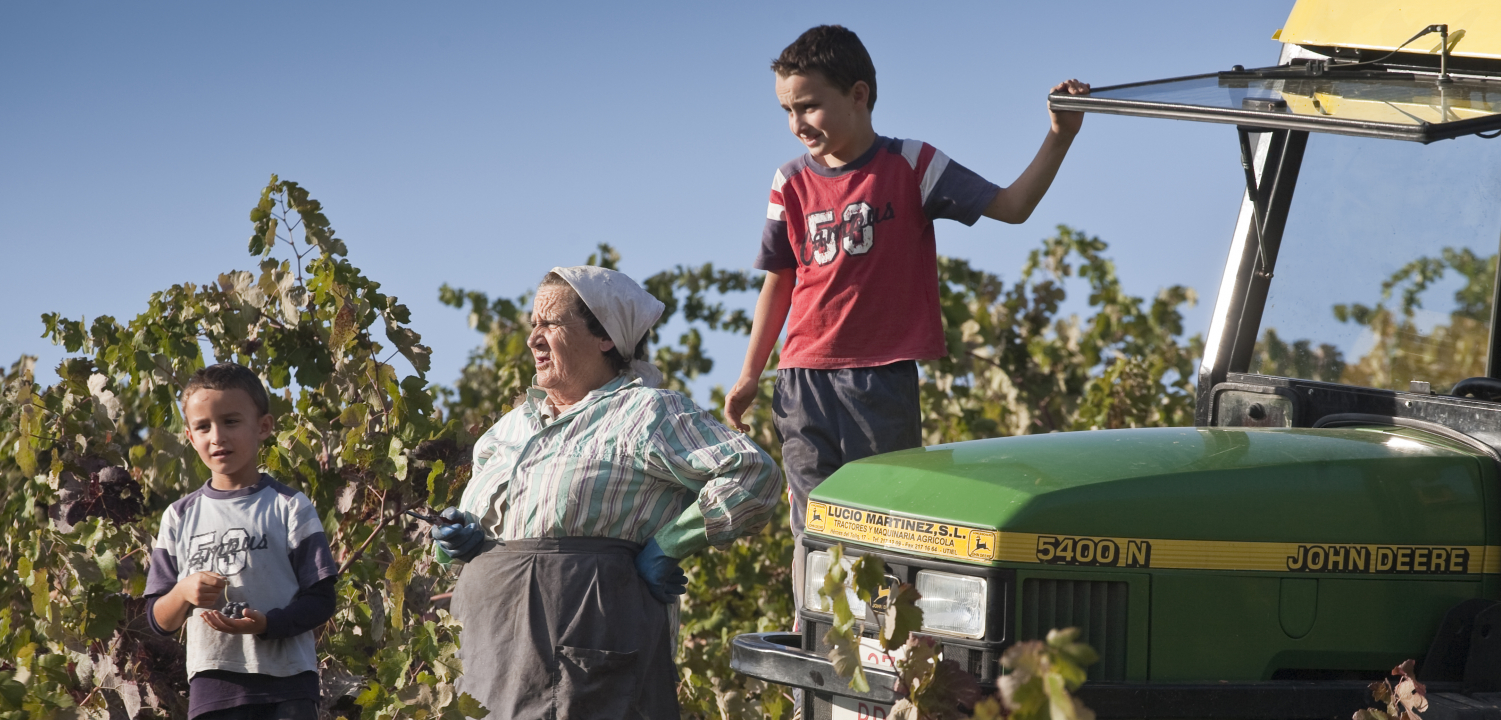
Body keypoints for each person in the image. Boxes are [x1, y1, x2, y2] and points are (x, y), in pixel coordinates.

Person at [721, 24, 1091, 596]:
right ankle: (813, 624)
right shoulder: (789, 182)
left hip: (881, 379)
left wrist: (1059, 136)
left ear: (859, 95)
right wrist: (750, 374)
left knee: (885, 520)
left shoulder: (912, 165)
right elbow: (780, 281)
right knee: (814, 525)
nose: (797, 123)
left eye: (809, 106)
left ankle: (887, 630)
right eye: (787, 110)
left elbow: (1013, 206)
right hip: (801, 379)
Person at [430, 266, 781, 720]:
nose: (533, 338)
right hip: (488, 656)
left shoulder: (647, 412)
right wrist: (457, 541)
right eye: (532, 324)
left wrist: (670, 544)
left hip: (587, 661)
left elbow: (753, 473)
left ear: (605, 338)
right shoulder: (507, 431)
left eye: (550, 323)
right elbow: (470, 541)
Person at [143, 363, 339, 720]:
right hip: (213, 689)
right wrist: (183, 592)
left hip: (288, 686)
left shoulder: (290, 506)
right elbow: (159, 620)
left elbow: (322, 600)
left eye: (231, 421)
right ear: (190, 436)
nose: (217, 437)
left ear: (263, 426)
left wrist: (267, 624)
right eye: (203, 426)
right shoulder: (179, 517)